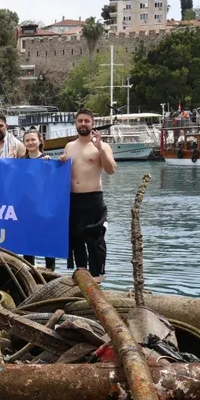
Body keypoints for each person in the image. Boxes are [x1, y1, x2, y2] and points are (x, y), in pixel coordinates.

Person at [59, 108, 116, 280]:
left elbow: (111, 169)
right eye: (80, 121)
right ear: (76, 123)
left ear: (93, 124)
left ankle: (97, 275)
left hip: (93, 199)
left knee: (95, 240)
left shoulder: (102, 146)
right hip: (73, 199)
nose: (83, 124)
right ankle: (81, 274)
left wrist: (101, 149)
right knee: (76, 240)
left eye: (87, 121)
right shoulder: (69, 146)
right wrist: (59, 161)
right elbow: (63, 173)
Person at [19, 129, 55, 271]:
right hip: (27, 208)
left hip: (45, 209)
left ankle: (50, 271)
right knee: (28, 243)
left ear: (40, 140)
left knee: (47, 241)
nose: (30, 143)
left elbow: (54, 182)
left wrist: (50, 167)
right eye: (27, 140)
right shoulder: (20, 162)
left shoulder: (48, 160)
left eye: (33, 139)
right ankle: (28, 272)